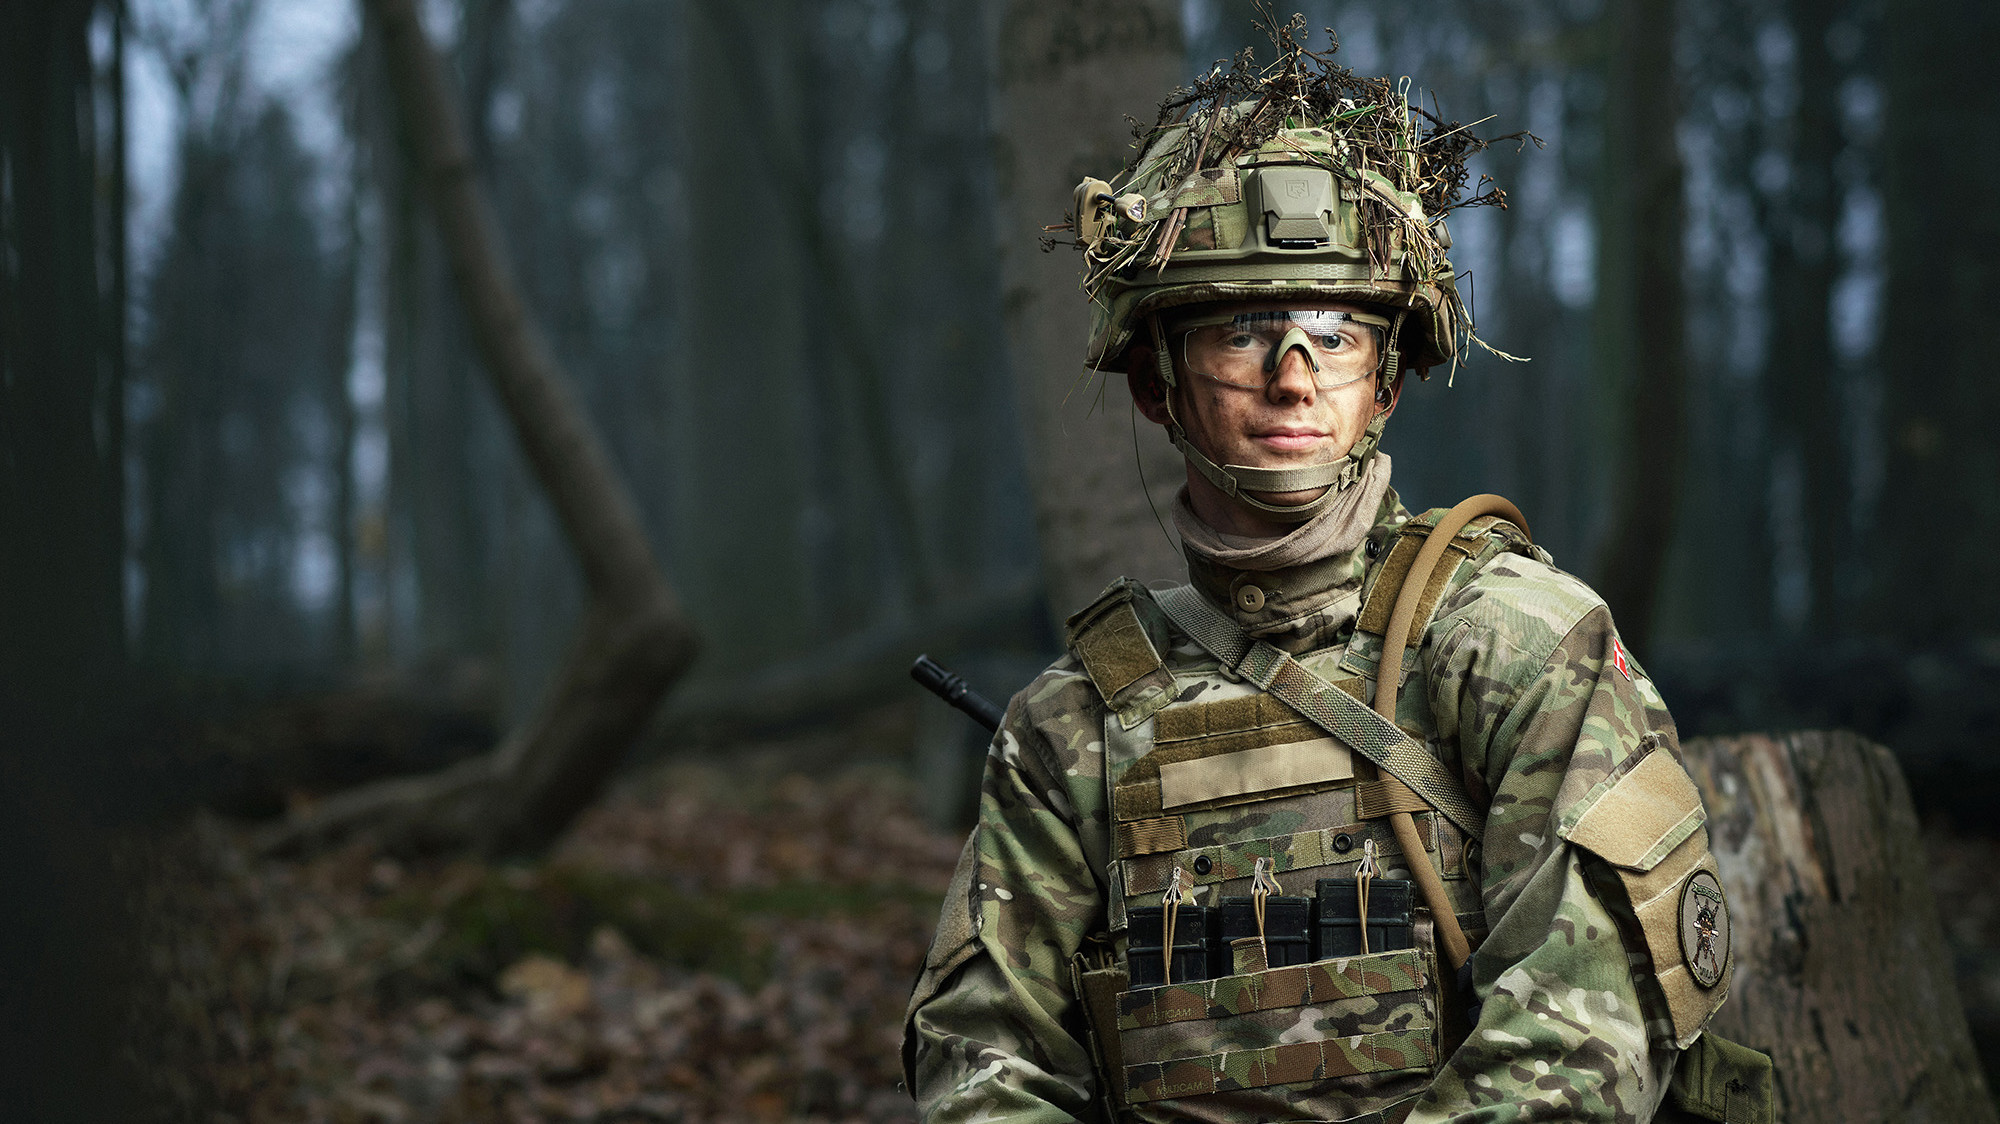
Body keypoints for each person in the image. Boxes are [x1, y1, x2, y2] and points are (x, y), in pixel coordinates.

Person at [905, 30, 1750, 1124]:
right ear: (1155, 384)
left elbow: (1574, 1049)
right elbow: (981, 1057)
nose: (1292, 376)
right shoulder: (1074, 720)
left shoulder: (1518, 644)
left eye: (1333, 333)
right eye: (1242, 332)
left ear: (1387, 380)